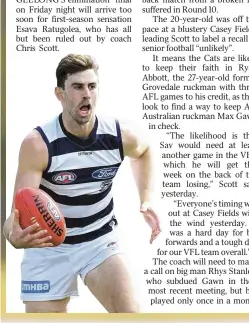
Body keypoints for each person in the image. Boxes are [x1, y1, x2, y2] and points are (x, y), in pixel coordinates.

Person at [3, 53, 161, 314]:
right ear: (60, 94)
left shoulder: (119, 136)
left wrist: (146, 198)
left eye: (92, 86)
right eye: (77, 87)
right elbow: (15, 218)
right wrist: (13, 237)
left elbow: (145, 152)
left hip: (98, 240)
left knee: (132, 315)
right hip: (47, 247)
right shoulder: (39, 144)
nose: (87, 94)